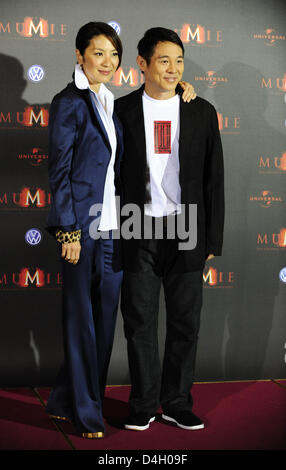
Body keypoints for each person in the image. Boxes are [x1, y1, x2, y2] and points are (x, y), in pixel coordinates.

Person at [45, 22, 196, 438]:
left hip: (116, 229)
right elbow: (58, 173)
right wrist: (68, 231)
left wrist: (182, 91)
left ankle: (63, 398)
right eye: (98, 53)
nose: (107, 62)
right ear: (79, 56)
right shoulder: (68, 102)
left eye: (113, 54)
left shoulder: (110, 101)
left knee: (104, 322)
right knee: (81, 323)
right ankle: (86, 411)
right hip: (82, 230)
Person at [115, 27, 224, 432]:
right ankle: (143, 404)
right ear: (141, 64)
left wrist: (212, 238)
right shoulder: (119, 109)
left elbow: (214, 179)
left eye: (179, 61)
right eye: (164, 60)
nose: (174, 69)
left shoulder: (201, 110)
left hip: (188, 227)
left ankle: (177, 402)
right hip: (135, 226)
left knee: (185, 322)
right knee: (139, 321)